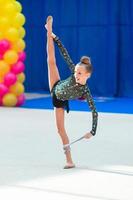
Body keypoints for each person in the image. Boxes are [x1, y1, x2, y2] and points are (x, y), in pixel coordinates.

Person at [45, 16, 98, 169]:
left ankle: (69, 160)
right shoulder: (74, 73)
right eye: (76, 71)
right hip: (56, 84)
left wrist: (92, 131)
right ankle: (49, 32)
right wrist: (54, 37)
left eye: (80, 73)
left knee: (60, 130)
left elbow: (94, 112)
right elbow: (64, 53)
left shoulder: (85, 91)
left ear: (88, 75)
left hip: (59, 101)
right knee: (51, 60)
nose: (76, 74)